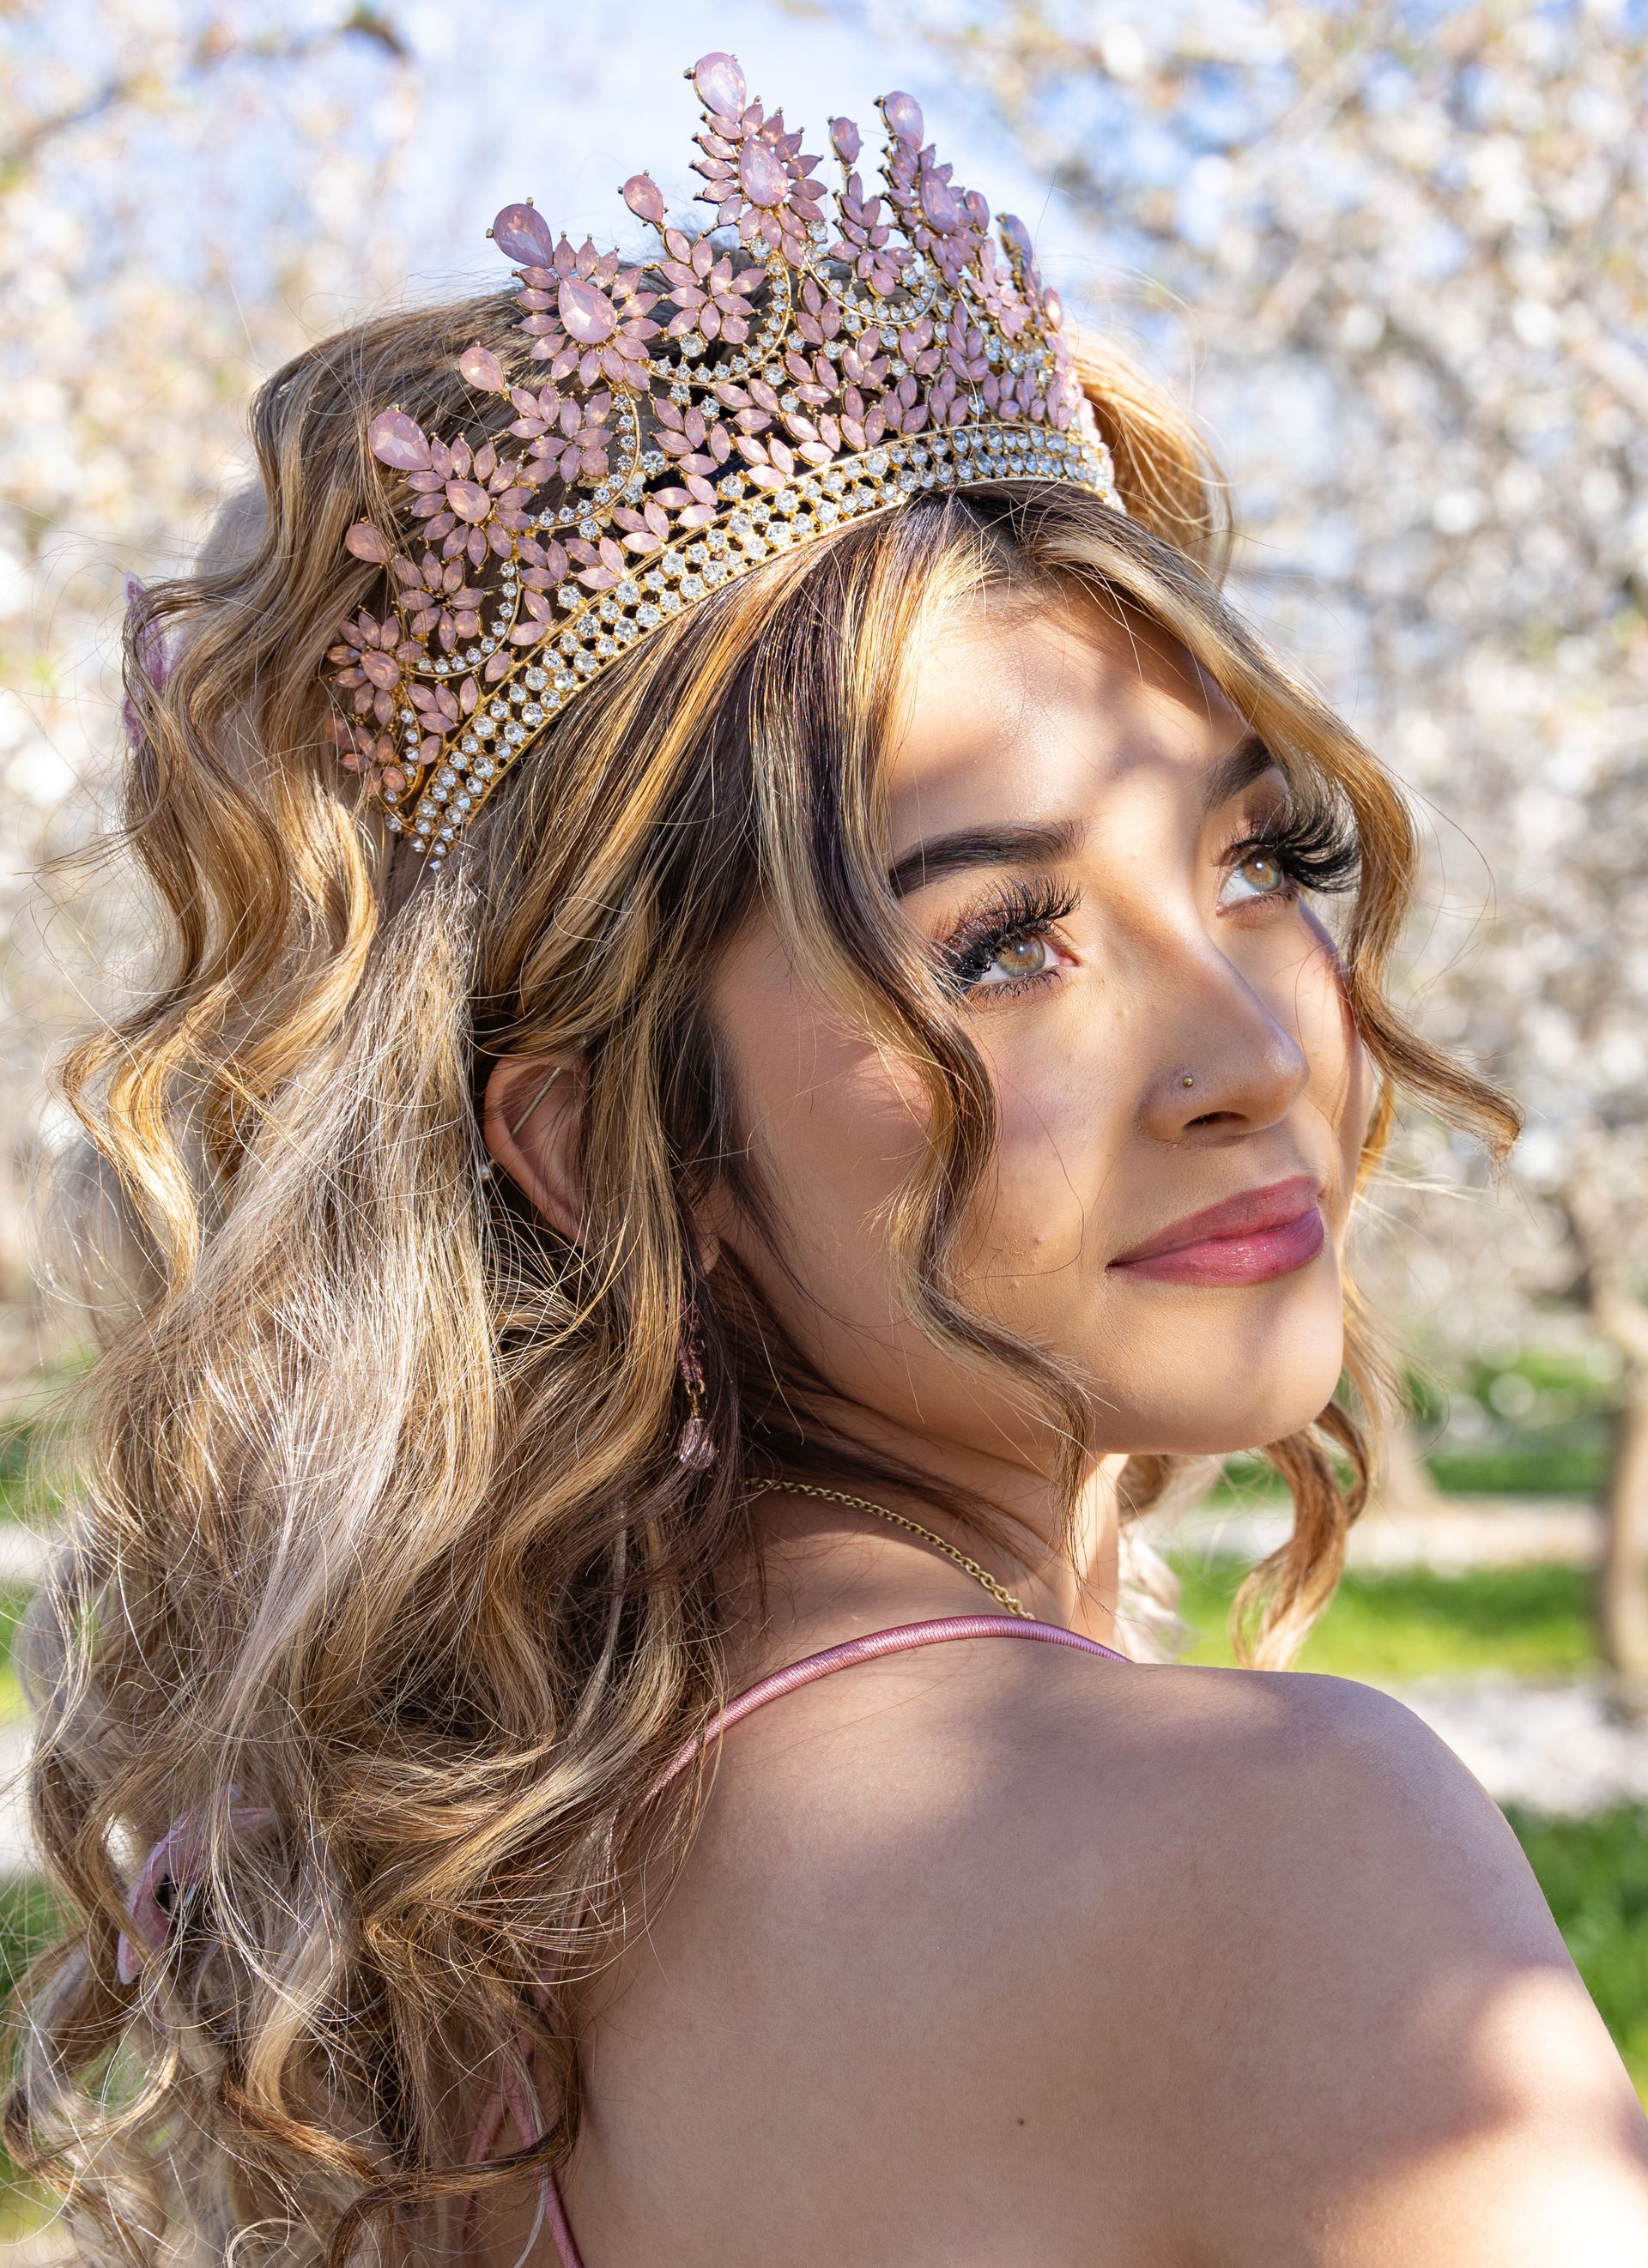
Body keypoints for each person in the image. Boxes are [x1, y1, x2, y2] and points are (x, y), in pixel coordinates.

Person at [12, 48, 1648, 2268]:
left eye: (1266, 857)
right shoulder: (1288, 1865)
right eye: (1004, 942)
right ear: (598, 1146)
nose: (1259, 1041)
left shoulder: (444, 1959)